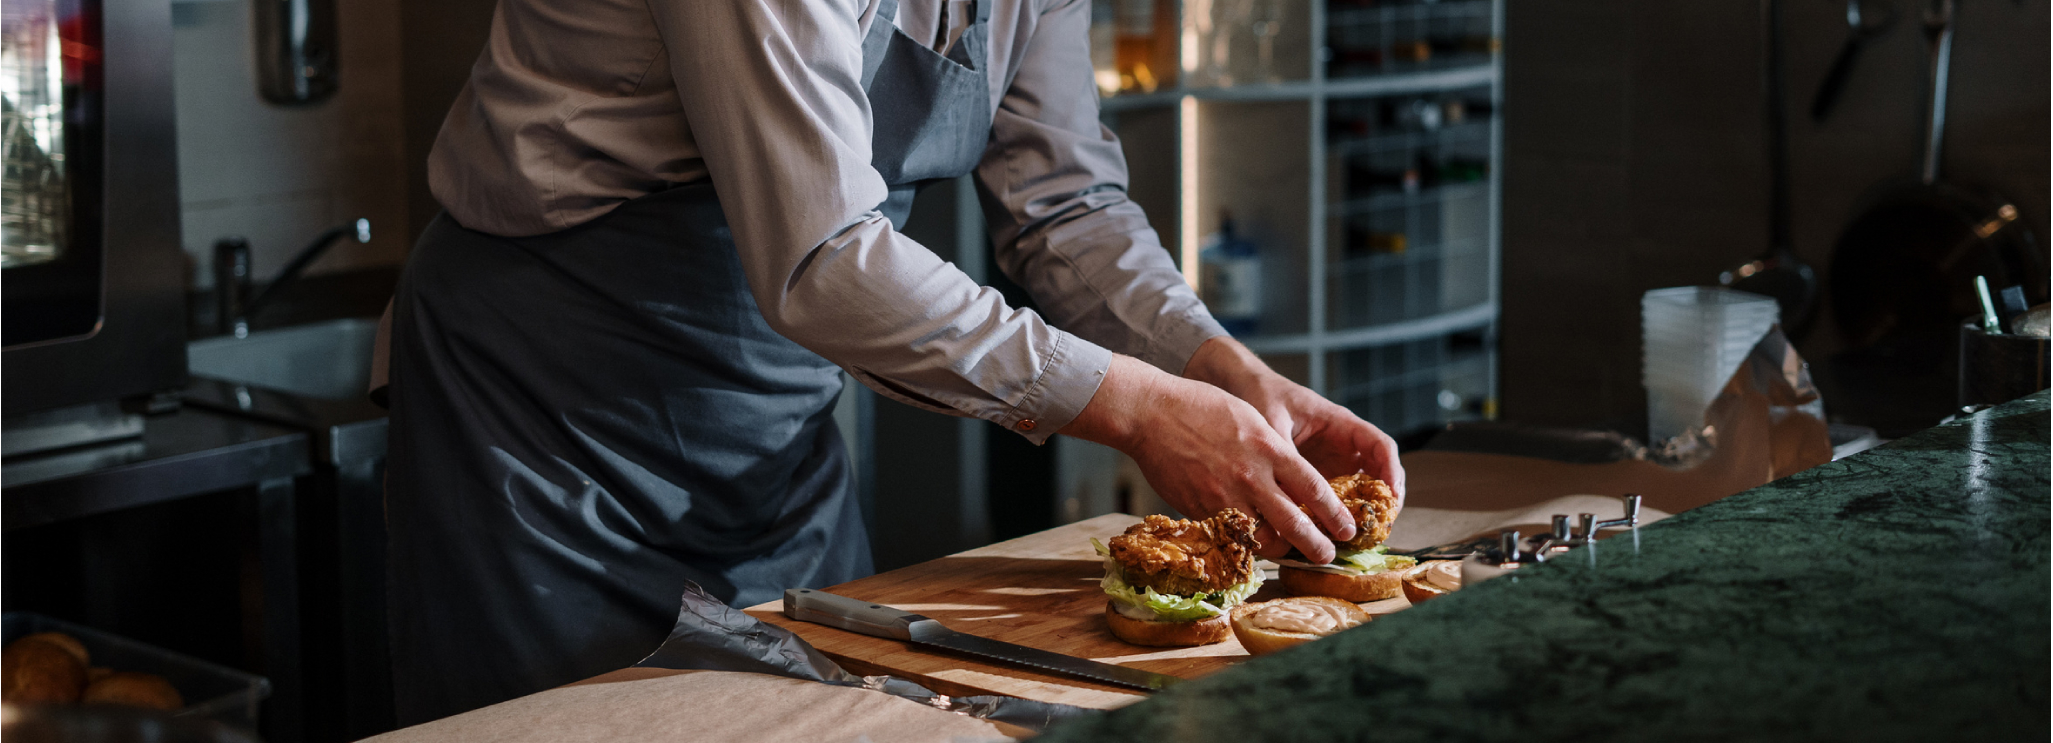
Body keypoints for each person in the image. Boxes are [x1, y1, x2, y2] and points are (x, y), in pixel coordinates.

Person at [380, 0, 1404, 724]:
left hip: (768, 416)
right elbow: (824, 256)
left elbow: (1067, 205)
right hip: (544, 409)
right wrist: (1136, 408)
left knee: (833, 712)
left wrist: (1213, 364)